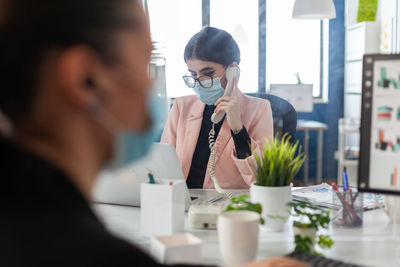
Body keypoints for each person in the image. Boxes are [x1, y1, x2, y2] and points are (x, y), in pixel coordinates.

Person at [0, 0, 307, 266]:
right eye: (143, 63)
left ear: (232, 70)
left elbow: (265, 183)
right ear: (85, 79)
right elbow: (161, 170)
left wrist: (237, 126)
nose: (150, 87)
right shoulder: (99, 254)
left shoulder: (28, 223)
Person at [161, 27, 274, 189]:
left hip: (230, 208)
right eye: (193, 75)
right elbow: (163, 167)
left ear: (232, 71)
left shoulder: (259, 109)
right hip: (183, 204)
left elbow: (263, 179)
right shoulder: (181, 107)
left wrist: (237, 128)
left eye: (208, 73)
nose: (200, 81)